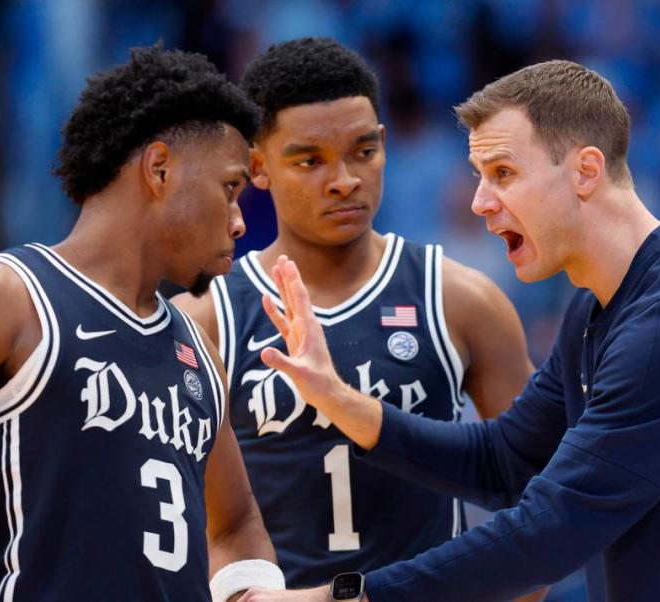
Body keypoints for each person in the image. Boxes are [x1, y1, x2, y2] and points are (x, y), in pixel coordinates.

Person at [239, 60, 660, 601]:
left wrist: (339, 595)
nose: (480, 201)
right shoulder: (601, 305)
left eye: (503, 174)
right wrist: (340, 401)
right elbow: (506, 461)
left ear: (586, 170)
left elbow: (549, 532)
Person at [172, 37, 539, 599]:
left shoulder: (461, 300)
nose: (343, 179)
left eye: (362, 152)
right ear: (257, 167)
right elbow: (177, 523)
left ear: (384, 146)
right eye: (310, 160)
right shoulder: (206, 319)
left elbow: (534, 498)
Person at [0, 46, 286, 601]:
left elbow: (237, 524)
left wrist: (252, 590)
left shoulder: (197, 347)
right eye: (230, 188)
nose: (240, 222)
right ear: (159, 168)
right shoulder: (9, 295)